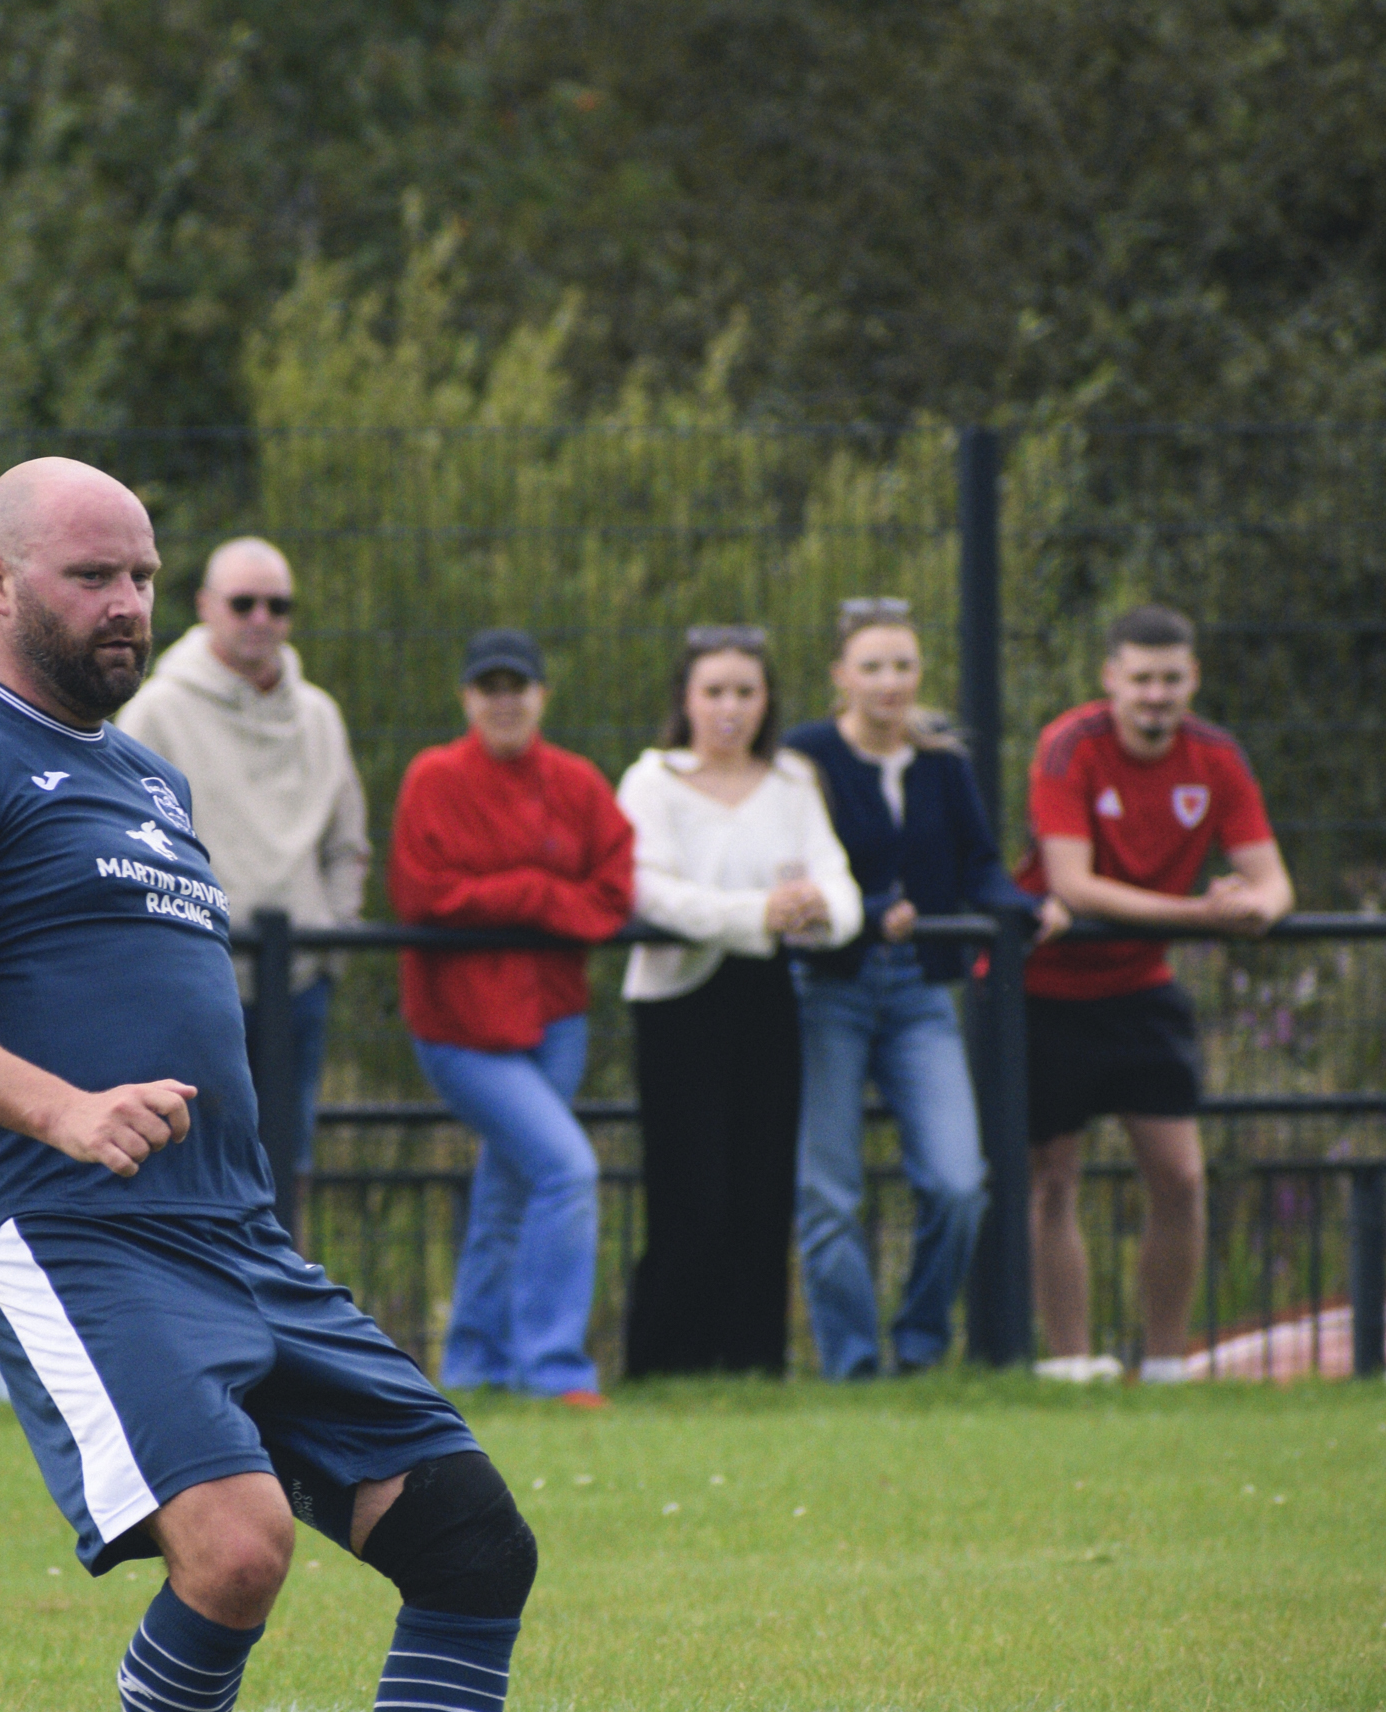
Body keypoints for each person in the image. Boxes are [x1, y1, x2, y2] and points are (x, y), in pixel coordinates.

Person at [0, 458, 549, 1712]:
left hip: (239, 1243)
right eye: (93, 576)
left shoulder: (149, 778)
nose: (128, 605)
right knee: (232, 1550)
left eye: (142, 575)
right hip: (80, 1234)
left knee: (472, 1544)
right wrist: (62, 1110)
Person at [786, 597, 1062, 1379]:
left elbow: (979, 865)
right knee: (829, 1191)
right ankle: (851, 1364)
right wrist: (869, 915)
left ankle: (917, 1347)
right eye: (871, 666)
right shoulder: (806, 756)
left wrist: (1026, 908)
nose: (889, 682)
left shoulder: (942, 762)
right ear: (841, 676)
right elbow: (799, 862)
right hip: (829, 984)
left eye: (902, 665)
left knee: (955, 1183)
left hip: (920, 991)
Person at [1019, 601, 1293, 1383]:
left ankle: (1167, 1366)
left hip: (1143, 988)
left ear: (1192, 679)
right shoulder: (1067, 746)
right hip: (1048, 987)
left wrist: (1253, 908)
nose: (1154, 696)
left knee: (1180, 1177)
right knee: (1052, 1178)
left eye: (1170, 679)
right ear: (1110, 679)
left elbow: (1273, 881)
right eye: (1139, 679)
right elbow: (1074, 884)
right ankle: (1070, 1364)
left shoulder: (1215, 755)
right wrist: (1203, 914)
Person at [388, 631, 634, 1404]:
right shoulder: (433, 776)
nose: (503, 700)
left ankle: (475, 1366)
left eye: (517, 686)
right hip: (458, 1030)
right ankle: (555, 1368)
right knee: (567, 1169)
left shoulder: (578, 782)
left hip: (555, 1022)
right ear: (466, 698)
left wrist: (521, 894)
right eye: (488, 686)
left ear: (540, 696)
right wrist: (533, 893)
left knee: (507, 1191)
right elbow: (422, 894)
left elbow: (613, 894)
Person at [617, 627, 861, 1376]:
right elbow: (653, 892)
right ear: (685, 699)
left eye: (745, 692)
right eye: (714, 691)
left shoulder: (791, 780)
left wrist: (816, 908)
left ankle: (755, 1365)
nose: (730, 708)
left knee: (760, 1188)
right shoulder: (650, 781)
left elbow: (839, 886)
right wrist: (759, 914)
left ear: (767, 700)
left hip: (764, 998)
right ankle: (663, 1368)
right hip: (675, 1002)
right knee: (689, 1191)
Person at [115, 535, 369, 1189]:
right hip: (196, 983)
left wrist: (330, 941)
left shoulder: (318, 715)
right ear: (205, 605)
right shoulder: (156, 712)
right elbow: (121, 844)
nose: (261, 619)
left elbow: (348, 842)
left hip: (299, 980)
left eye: (277, 605)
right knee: (198, 1167)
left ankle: (281, 1292)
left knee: (289, 1165)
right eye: (243, 602)